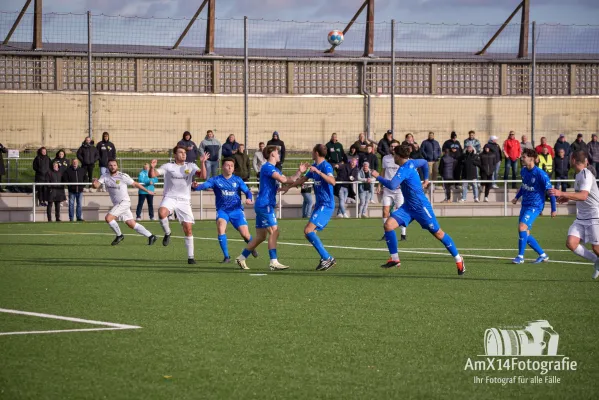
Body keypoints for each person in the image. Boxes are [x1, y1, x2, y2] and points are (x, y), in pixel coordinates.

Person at [372, 145, 465, 275]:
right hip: (408, 207)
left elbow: (392, 185)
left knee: (438, 233)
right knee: (388, 225)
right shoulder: (412, 162)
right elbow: (424, 162)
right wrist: (426, 178)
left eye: (394, 155)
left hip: (421, 208)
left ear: (398, 156)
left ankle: (458, 259)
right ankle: (395, 259)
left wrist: (377, 176)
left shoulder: (404, 168)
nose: (393, 157)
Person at [235, 146, 307, 271]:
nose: (279, 155)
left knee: (261, 236)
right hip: (265, 205)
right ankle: (273, 262)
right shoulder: (267, 167)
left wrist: (297, 175)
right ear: (272, 154)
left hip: (263, 204)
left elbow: (288, 180)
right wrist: (299, 173)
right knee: (275, 231)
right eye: (277, 153)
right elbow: (285, 179)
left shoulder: (272, 169)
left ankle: (241, 258)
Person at [149, 145, 209, 264]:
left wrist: (202, 163)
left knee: (188, 229)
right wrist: (151, 167)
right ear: (175, 155)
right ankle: (168, 232)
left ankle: (190, 257)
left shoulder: (190, 166)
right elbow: (152, 175)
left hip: (184, 201)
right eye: (181, 152)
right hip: (170, 197)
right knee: (161, 213)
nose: (183, 154)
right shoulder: (168, 166)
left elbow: (203, 176)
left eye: (184, 152)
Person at [280, 144, 336, 271]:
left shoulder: (325, 166)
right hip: (320, 204)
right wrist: (288, 187)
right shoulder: (314, 166)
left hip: (326, 205)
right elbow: (303, 179)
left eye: (312, 151)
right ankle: (325, 258)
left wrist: (319, 172)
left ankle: (328, 258)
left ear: (316, 152)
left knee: (308, 231)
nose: (311, 153)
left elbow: (332, 181)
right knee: (308, 233)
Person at [192, 158, 257, 263]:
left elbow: (247, 191)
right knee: (221, 227)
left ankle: (251, 246)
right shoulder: (216, 180)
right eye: (227, 165)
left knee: (245, 234)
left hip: (237, 211)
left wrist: (249, 198)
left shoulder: (237, 180)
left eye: (232, 165)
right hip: (223, 211)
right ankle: (227, 257)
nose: (230, 167)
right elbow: (204, 185)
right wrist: (195, 187)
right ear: (222, 167)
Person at [548, 151, 599, 279]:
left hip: (594, 216)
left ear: (574, 160)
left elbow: (583, 196)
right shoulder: (578, 175)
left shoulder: (586, 174)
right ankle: (596, 261)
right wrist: (569, 198)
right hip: (582, 217)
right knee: (571, 243)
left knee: (597, 248)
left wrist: (562, 193)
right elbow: (580, 196)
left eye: (570, 158)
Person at [92, 159, 157, 246]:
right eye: (111, 165)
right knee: (131, 224)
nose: (113, 167)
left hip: (124, 202)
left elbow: (135, 184)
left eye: (114, 165)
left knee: (108, 218)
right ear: (108, 167)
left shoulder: (122, 176)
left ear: (117, 166)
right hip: (117, 204)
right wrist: (94, 182)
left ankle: (119, 235)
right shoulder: (104, 176)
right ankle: (151, 236)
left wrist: (147, 191)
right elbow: (96, 186)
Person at [510, 148, 557, 264]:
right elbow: (524, 186)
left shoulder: (541, 174)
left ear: (531, 159)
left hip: (535, 206)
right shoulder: (524, 171)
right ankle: (543, 255)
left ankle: (520, 257)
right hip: (525, 204)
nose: (521, 158)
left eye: (524, 156)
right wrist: (517, 197)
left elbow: (550, 191)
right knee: (525, 233)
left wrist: (553, 209)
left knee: (522, 227)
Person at [380, 140, 407, 240]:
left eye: (395, 146)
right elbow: (383, 172)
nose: (392, 148)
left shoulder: (402, 159)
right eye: (391, 146)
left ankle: (403, 234)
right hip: (387, 189)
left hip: (399, 189)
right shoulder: (385, 158)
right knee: (385, 211)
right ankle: (386, 232)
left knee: (400, 211)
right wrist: (379, 185)